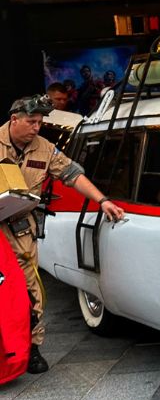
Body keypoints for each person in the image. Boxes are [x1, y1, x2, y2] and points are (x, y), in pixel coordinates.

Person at [0, 95, 125, 373]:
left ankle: (31, 348)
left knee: (29, 290)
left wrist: (102, 200)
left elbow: (73, 175)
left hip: (20, 229)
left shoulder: (45, 149)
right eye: (31, 122)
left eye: (40, 122)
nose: (36, 127)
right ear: (14, 120)